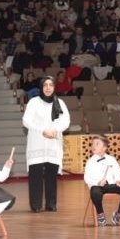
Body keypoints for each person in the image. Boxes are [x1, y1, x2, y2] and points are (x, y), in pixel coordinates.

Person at [22, 75, 70, 212]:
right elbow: (26, 121)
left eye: (51, 85)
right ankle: (36, 205)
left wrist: (55, 130)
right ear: (41, 87)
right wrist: (42, 131)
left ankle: (51, 204)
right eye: (45, 85)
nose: (48, 88)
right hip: (37, 142)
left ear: (54, 87)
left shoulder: (60, 103)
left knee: (51, 175)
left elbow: (65, 121)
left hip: (53, 143)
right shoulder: (33, 102)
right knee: (35, 175)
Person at [83, 135, 120, 226]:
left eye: (97, 144)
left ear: (105, 147)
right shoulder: (90, 161)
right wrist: (98, 182)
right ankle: (100, 214)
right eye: (92, 144)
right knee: (95, 193)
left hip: (111, 185)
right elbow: (87, 177)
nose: (94, 146)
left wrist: (119, 181)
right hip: (97, 186)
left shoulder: (111, 159)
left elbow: (117, 173)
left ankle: (119, 214)